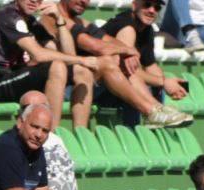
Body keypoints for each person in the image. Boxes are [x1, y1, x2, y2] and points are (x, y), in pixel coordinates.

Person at [39, 0, 191, 129]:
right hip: (64, 87)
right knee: (112, 62)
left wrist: (127, 52)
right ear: (134, 5)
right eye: (147, 4)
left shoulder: (81, 22)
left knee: (121, 65)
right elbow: (93, 45)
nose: (83, 1)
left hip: (87, 83)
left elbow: (105, 39)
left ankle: (157, 111)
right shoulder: (52, 16)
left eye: (157, 7)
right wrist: (126, 51)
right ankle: (152, 112)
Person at [0, 0, 89, 127]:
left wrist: (59, 20)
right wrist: (82, 59)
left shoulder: (31, 22)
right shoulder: (8, 15)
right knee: (57, 67)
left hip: (15, 78)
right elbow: (39, 54)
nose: (33, 1)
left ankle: (81, 133)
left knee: (82, 71)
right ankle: (49, 135)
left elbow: (69, 56)